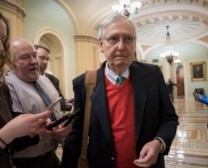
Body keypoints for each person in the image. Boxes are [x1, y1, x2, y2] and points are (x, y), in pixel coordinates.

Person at [61, 12, 179, 168]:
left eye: (128, 39)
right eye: (113, 39)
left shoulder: (152, 75)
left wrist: (159, 143)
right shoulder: (84, 83)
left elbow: (169, 119)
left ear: (134, 44)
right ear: (101, 45)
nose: (121, 46)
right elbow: (77, 133)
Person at [5, 38, 72, 168]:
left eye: (34, 55)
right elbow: (14, 133)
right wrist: (46, 132)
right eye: (25, 57)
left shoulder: (46, 81)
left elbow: (56, 110)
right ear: (10, 62)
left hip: (50, 155)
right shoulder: (7, 87)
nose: (34, 61)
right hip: (26, 162)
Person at [0, 12, 53, 167]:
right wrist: (7, 133)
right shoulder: (9, 84)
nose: (1, 48)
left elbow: (13, 140)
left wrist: (32, 128)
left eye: (3, 40)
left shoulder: (1, 87)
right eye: (25, 57)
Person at [34, 44, 74, 111]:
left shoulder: (53, 80)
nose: (45, 62)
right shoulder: (25, 79)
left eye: (47, 59)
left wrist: (66, 103)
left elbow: (58, 102)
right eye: (42, 58)